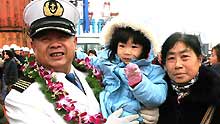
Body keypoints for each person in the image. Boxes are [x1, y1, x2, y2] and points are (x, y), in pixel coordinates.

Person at [4, 0, 158, 124]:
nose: (55, 44)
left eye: (62, 37)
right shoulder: (20, 98)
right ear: (33, 46)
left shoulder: (91, 72)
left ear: (75, 42)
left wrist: (146, 110)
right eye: (45, 39)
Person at [91, 16, 167, 123]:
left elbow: (157, 97)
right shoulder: (107, 63)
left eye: (134, 47)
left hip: (134, 119)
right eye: (122, 46)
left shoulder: (153, 71)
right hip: (107, 115)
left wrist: (139, 82)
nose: (127, 52)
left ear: (145, 49)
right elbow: (88, 63)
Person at [158, 32, 220, 124]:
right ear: (164, 63)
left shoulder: (216, 94)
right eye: (171, 58)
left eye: (185, 57)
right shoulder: (153, 96)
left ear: (199, 60)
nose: (178, 65)